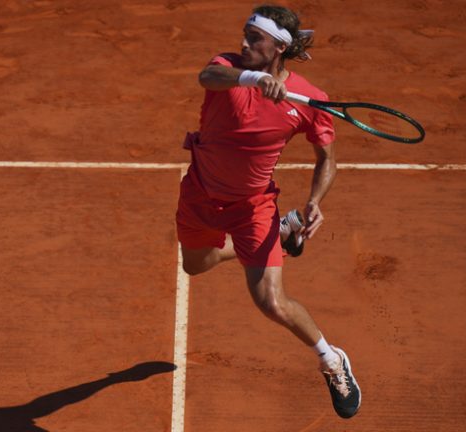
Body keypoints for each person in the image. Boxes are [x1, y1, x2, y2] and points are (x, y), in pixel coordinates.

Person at [175, 4, 361, 419]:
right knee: (196, 265)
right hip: (199, 196)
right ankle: (283, 232)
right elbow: (208, 76)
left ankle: (331, 359)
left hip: (252, 207)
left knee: (271, 302)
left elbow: (327, 160)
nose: (244, 43)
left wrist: (315, 200)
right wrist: (254, 78)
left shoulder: (310, 100)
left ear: (278, 48)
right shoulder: (228, 68)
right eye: (245, 34)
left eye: (254, 38)